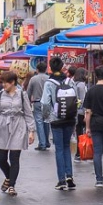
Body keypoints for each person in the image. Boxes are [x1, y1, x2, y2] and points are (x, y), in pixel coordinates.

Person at [0, 71, 36, 196]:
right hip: (3, 126)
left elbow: (28, 113)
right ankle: (8, 177)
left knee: (14, 158)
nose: (3, 85)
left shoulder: (22, 94)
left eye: (5, 83)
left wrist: (31, 131)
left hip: (18, 126)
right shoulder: (0, 94)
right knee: (1, 158)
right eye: (2, 82)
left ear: (12, 82)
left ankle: (12, 185)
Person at [41, 57, 78, 191]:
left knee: (59, 149)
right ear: (62, 67)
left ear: (50, 68)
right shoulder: (70, 81)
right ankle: (69, 176)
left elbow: (45, 103)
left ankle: (61, 180)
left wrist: (47, 117)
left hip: (56, 119)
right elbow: (77, 100)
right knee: (67, 147)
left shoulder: (49, 83)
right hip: (70, 118)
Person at [27, 62, 51, 151]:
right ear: (46, 69)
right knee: (46, 121)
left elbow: (29, 92)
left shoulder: (33, 79)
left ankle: (42, 143)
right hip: (47, 103)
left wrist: (27, 103)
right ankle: (46, 142)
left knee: (39, 122)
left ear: (37, 70)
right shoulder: (49, 79)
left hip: (37, 102)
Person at [73, 68, 88, 162]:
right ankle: (80, 153)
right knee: (82, 133)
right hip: (81, 112)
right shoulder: (81, 85)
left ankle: (78, 153)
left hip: (76, 111)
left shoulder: (74, 84)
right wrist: (86, 112)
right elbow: (83, 100)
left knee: (79, 133)